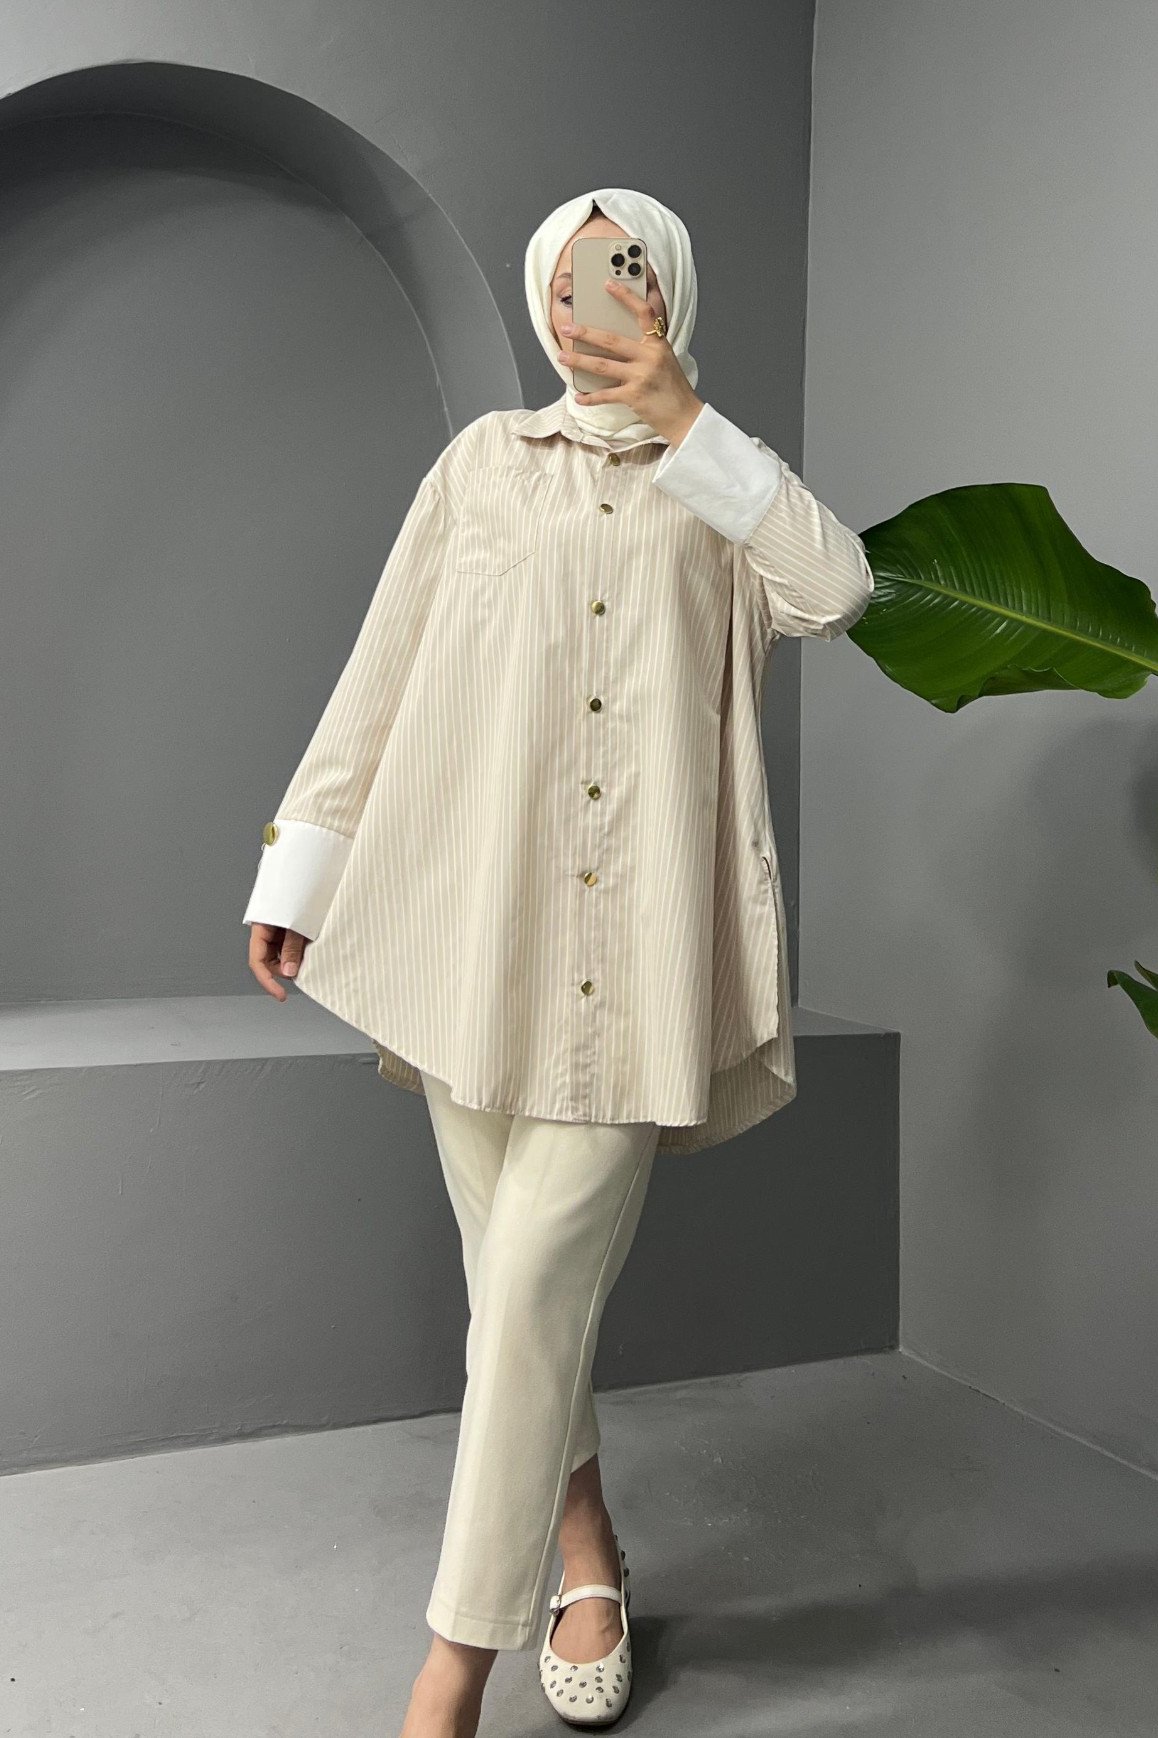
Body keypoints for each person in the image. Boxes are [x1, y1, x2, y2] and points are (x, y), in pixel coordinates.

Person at [243, 186, 873, 1736]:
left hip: (633, 959)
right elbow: (383, 670)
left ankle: (449, 1674)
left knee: (529, 1287)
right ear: (542, 294)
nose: (599, 294)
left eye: (628, 267)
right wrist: (302, 865)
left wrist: (685, 417)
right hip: (469, 934)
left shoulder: (723, 488)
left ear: (670, 289)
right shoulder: (480, 466)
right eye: (576, 272)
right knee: (513, 1297)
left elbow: (838, 589)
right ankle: (586, 1552)